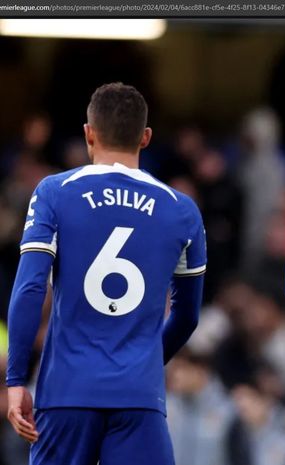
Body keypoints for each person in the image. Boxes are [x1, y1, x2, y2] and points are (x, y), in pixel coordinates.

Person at [5, 82, 206, 465]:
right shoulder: (182, 210)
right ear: (145, 138)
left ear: (88, 133)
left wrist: (16, 380)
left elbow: (30, 288)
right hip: (139, 397)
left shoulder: (54, 192)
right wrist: (142, 360)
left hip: (66, 393)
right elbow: (187, 315)